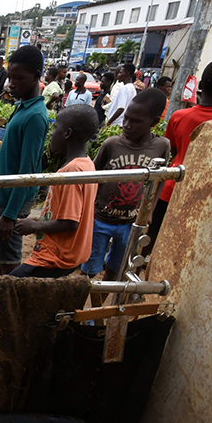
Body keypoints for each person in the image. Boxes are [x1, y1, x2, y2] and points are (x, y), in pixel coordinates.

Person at [149, 58, 212, 255]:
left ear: (200, 85)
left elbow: (172, 151)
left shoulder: (180, 116)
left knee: (155, 239)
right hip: (209, 191)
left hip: (173, 187)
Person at [82, 88, 170, 293]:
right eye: (127, 118)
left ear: (153, 122)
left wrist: (150, 211)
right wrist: (89, 209)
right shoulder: (111, 144)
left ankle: (100, 308)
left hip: (131, 222)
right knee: (90, 268)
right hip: (101, 219)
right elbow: (93, 177)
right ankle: (84, 300)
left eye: (136, 121)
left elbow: (160, 180)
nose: (127, 125)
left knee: (118, 267)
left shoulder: (161, 146)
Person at [10, 104, 99, 278]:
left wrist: (34, 226)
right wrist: (38, 220)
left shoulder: (72, 171)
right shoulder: (87, 164)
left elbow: (70, 222)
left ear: (67, 133)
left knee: (8, 285)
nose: (51, 134)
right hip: (70, 255)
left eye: (55, 128)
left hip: (55, 257)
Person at [0, 45, 50, 275]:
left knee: (9, 261)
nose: (11, 84)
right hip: (6, 195)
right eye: (10, 77)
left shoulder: (35, 116)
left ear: (36, 76)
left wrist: (10, 215)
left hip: (14, 198)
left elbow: (27, 172)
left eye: (18, 78)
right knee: (2, 253)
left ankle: (14, 295)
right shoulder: (23, 107)